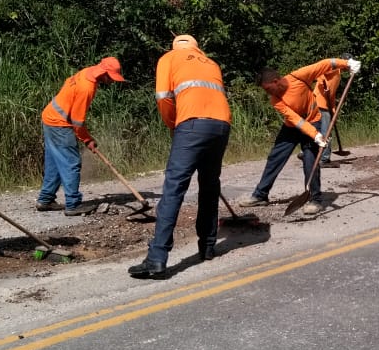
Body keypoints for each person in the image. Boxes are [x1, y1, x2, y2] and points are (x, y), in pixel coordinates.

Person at [129, 35, 231, 279]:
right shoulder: (211, 63)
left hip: (191, 125)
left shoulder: (169, 58)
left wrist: (173, 125)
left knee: (174, 188)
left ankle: (156, 258)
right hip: (221, 126)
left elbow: (163, 97)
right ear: (197, 48)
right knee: (209, 185)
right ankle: (207, 246)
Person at [237, 56, 360, 216]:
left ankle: (315, 199)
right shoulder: (275, 101)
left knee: (310, 160)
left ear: (276, 81)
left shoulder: (297, 77)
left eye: (268, 89)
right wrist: (315, 135)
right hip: (292, 127)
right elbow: (296, 120)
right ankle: (260, 195)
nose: (267, 93)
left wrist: (347, 64)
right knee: (275, 157)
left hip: (313, 120)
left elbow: (326, 64)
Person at [36, 56, 126, 215]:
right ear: (103, 73)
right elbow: (77, 123)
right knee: (71, 162)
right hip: (59, 123)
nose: (112, 82)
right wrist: (87, 139)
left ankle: (46, 199)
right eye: (111, 78)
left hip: (49, 117)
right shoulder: (87, 88)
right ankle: (73, 204)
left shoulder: (87, 72)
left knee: (56, 162)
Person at [314, 61, 345, 168]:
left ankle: (309, 153)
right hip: (320, 103)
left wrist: (333, 110)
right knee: (326, 132)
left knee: (318, 131)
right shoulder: (335, 69)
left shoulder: (338, 74)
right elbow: (320, 71)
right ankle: (324, 159)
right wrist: (322, 82)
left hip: (324, 104)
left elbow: (331, 95)